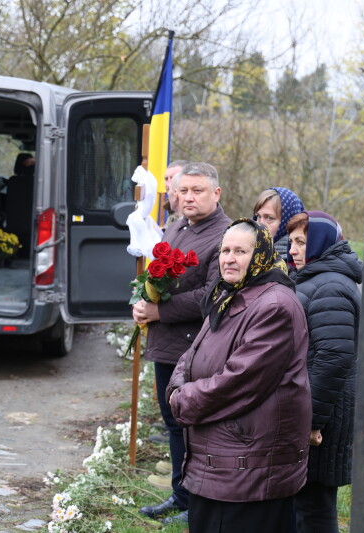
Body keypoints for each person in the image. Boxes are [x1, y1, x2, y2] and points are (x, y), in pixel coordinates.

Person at [167, 219, 312, 533]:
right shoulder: (230, 295)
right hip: (219, 459)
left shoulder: (275, 306)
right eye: (225, 250)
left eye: (240, 251)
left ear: (260, 254)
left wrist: (181, 400)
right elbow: (192, 354)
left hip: (249, 466)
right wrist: (178, 384)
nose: (228, 258)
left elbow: (239, 382)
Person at [133, 161, 232, 525]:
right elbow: (157, 277)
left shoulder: (225, 236)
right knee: (175, 423)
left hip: (195, 349)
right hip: (167, 344)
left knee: (192, 426)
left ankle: (197, 504)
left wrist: (161, 312)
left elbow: (213, 294)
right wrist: (142, 304)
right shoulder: (176, 227)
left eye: (197, 191)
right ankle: (180, 494)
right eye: (183, 191)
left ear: (216, 193)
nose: (188, 197)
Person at [286, 211, 362, 533]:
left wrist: (311, 421)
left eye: (301, 242)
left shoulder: (330, 286)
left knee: (314, 506)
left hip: (323, 416)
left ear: (320, 241)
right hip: (317, 408)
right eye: (291, 242)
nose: (292, 250)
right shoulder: (318, 277)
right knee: (303, 502)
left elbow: (334, 357)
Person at [253, 187, 304, 263]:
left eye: (269, 218)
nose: (260, 224)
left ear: (288, 222)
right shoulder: (250, 254)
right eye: (258, 216)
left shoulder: (293, 265)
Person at [162, 159, 188, 229]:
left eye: (173, 178)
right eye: (166, 179)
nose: (168, 184)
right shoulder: (171, 209)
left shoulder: (191, 210)